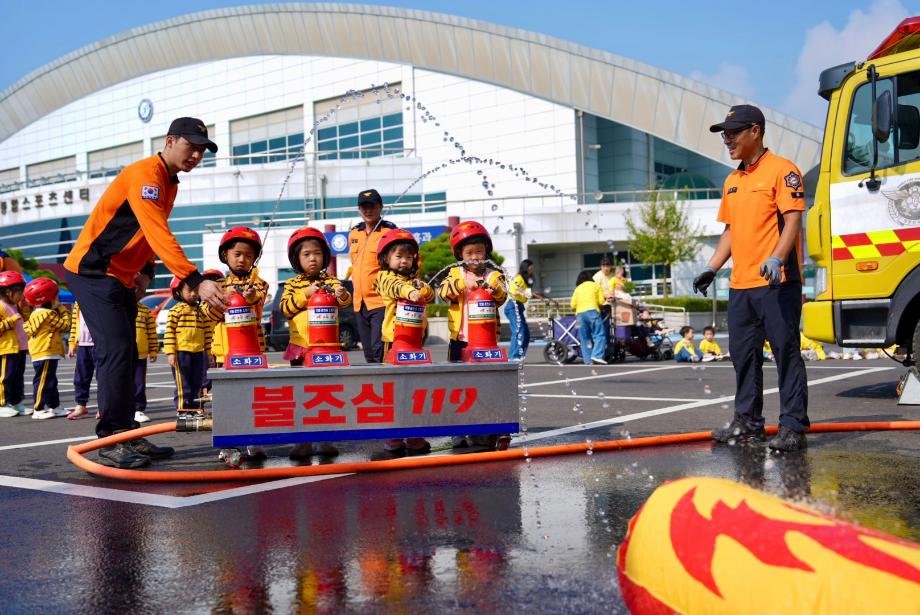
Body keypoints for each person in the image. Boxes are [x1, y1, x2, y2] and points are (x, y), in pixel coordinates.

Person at [64, 117, 226, 468]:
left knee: (127, 350)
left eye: (202, 150)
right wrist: (194, 279)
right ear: (170, 141)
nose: (196, 155)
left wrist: (146, 272)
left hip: (120, 276)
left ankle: (128, 436)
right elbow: (156, 231)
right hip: (92, 271)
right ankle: (110, 439)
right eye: (190, 146)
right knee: (117, 349)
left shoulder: (170, 182)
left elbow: (147, 233)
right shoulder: (145, 175)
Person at [693, 104, 809, 452]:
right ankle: (748, 423)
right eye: (724, 134)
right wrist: (712, 267)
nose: (727, 140)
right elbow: (731, 231)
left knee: (786, 353)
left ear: (755, 131)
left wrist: (777, 257)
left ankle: (792, 426)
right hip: (741, 285)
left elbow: (792, 221)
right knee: (744, 357)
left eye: (733, 133)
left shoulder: (783, 171)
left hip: (777, 281)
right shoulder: (732, 181)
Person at [279, 227, 351, 459]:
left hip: (328, 349)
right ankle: (303, 441)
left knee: (326, 394)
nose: (313, 258)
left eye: (317, 253)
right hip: (302, 348)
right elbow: (286, 309)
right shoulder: (292, 284)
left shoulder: (330, 280)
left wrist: (341, 293)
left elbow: (345, 303)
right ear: (296, 259)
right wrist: (305, 294)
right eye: (306, 254)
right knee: (301, 396)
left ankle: (326, 439)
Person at [374, 228, 436, 455]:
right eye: (399, 256)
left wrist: (422, 288)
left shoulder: (415, 281)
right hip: (394, 342)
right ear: (386, 258)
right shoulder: (384, 277)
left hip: (415, 343)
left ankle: (415, 435)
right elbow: (394, 287)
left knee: (415, 389)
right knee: (393, 390)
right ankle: (393, 436)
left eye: (408, 257)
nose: (404, 261)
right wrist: (410, 292)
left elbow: (429, 293)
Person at [437, 221, 507, 363]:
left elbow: (503, 295)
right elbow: (442, 291)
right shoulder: (456, 273)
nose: (474, 257)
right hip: (460, 338)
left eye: (479, 252)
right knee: (457, 375)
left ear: (486, 251)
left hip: (487, 338)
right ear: (460, 254)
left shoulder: (493, 276)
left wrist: (495, 291)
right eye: (469, 253)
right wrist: (463, 284)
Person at [200, 227, 269, 353]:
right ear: (225, 254)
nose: (242, 260)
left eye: (248, 256)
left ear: (255, 259)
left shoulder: (258, 283)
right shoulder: (218, 286)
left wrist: (251, 296)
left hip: (252, 349)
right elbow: (207, 314)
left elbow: (258, 298)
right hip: (222, 352)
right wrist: (223, 298)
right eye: (237, 254)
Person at [348, 189, 397, 364]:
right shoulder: (354, 233)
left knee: (380, 350)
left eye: (372, 206)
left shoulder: (390, 232)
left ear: (381, 207)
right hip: (359, 302)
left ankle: (387, 387)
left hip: (380, 301)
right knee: (368, 353)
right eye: (364, 207)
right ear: (359, 209)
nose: (368, 211)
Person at [164, 276, 212, 417]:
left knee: (197, 382)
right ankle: (183, 409)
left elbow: (207, 333)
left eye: (196, 290)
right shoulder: (175, 311)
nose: (193, 294)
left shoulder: (201, 312)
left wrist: (209, 353)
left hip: (198, 352)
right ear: (178, 292)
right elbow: (169, 333)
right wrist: (170, 353)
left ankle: (194, 407)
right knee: (183, 383)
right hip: (181, 353)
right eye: (190, 290)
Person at [22, 278, 70, 419]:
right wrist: (62, 309)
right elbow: (65, 325)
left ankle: (55, 406)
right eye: (56, 296)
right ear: (48, 298)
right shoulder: (48, 314)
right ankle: (38, 409)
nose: (57, 298)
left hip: (42, 351)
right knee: (43, 381)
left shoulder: (35, 313)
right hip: (47, 351)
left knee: (50, 380)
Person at [0, 271, 29, 417]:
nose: (22, 295)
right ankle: (3, 403)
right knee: (6, 378)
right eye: (19, 292)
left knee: (18, 377)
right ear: (8, 292)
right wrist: (11, 321)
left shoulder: (16, 306)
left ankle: (16, 402)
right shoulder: (0, 306)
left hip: (20, 347)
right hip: (7, 348)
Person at [505, 259, 540, 362]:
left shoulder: (524, 280)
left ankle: (519, 355)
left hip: (518, 306)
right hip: (513, 305)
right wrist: (529, 293)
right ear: (525, 267)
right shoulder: (518, 277)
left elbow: (523, 294)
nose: (532, 270)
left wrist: (532, 294)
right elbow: (513, 290)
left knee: (525, 333)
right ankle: (513, 356)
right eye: (530, 267)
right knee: (519, 331)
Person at [570, 270, 607, 365]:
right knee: (599, 335)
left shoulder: (577, 288)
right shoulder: (596, 286)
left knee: (584, 338)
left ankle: (588, 360)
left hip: (580, 315)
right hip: (592, 312)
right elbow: (601, 301)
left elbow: (573, 304)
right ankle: (597, 355)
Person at [66, 302, 95, 419]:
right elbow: (75, 324)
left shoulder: (99, 296)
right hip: (83, 344)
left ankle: (104, 407)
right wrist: (72, 343)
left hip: (100, 344)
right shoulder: (79, 302)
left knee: (104, 378)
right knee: (80, 377)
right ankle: (80, 404)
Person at [134, 298, 158, 423]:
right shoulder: (117, 308)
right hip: (121, 354)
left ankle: (138, 409)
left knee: (139, 383)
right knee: (121, 383)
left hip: (140, 353)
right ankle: (123, 409)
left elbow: (151, 332)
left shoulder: (145, 310)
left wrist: (153, 350)